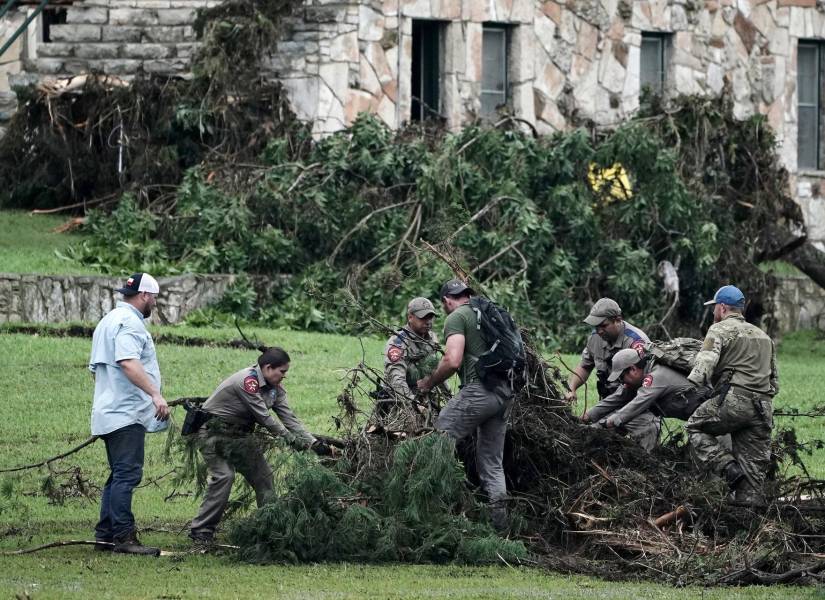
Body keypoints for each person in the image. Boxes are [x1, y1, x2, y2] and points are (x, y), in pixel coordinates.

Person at [189, 347, 332, 549]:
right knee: (224, 476)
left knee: (263, 477)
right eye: (282, 371)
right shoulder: (247, 381)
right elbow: (264, 418)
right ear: (267, 367)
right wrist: (291, 441)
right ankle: (201, 531)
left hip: (241, 436)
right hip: (213, 433)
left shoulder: (276, 390)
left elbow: (290, 419)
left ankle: (270, 525)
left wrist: (312, 443)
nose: (284, 376)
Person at [416, 279, 514, 533]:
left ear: (447, 300)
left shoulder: (457, 317)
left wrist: (428, 382)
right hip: (504, 394)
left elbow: (452, 361)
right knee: (492, 462)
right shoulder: (490, 312)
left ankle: (432, 514)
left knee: (437, 441)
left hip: (479, 391)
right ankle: (500, 528)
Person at [89, 272, 169, 556]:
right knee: (127, 475)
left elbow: (96, 371)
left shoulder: (108, 320)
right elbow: (128, 363)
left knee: (118, 475)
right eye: (154, 298)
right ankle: (124, 538)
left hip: (107, 411)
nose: (154, 304)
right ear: (145, 295)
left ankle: (105, 536)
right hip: (125, 413)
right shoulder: (130, 324)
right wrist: (155, 394)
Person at [685, 285, 778, 504]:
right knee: (753, 475)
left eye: (714, 307)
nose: (713, 312)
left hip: (734, 402)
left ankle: (727, 466)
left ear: (723, 308)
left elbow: (702, 368)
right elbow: (774, 383)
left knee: (695, 427)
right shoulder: (765, 337)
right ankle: (751, 528)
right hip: (763, 407)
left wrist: (693, 386)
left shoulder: (718, 330)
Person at [585, 348, 709, 451]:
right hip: (698, 420)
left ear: (633, 369)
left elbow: (636, 405)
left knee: (708, 467)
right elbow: (619, 397)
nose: (622, 382)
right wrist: (588, 416)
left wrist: (608, 422)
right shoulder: (640, 376)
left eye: (622, 377)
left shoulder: (655, 377)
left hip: (713, 417)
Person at [374, 297, 444, 431]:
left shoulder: (432, 339)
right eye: (423, 318)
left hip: (427, 398)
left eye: (430, 317)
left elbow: (436, 370)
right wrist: (414, 404)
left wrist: (447, 396)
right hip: (400, 403)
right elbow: (397, 380)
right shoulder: (398, 343)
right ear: (410, 317)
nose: (428, 322)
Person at [565, 298, 649, 403]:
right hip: (608, 402)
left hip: (635, 403)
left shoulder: (637, 342)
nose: (599, 331)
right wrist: (571, 388)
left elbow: (647, 385)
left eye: (604, 326)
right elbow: (585, 366)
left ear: (618, 320)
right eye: (596, 327)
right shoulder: (595, 338)